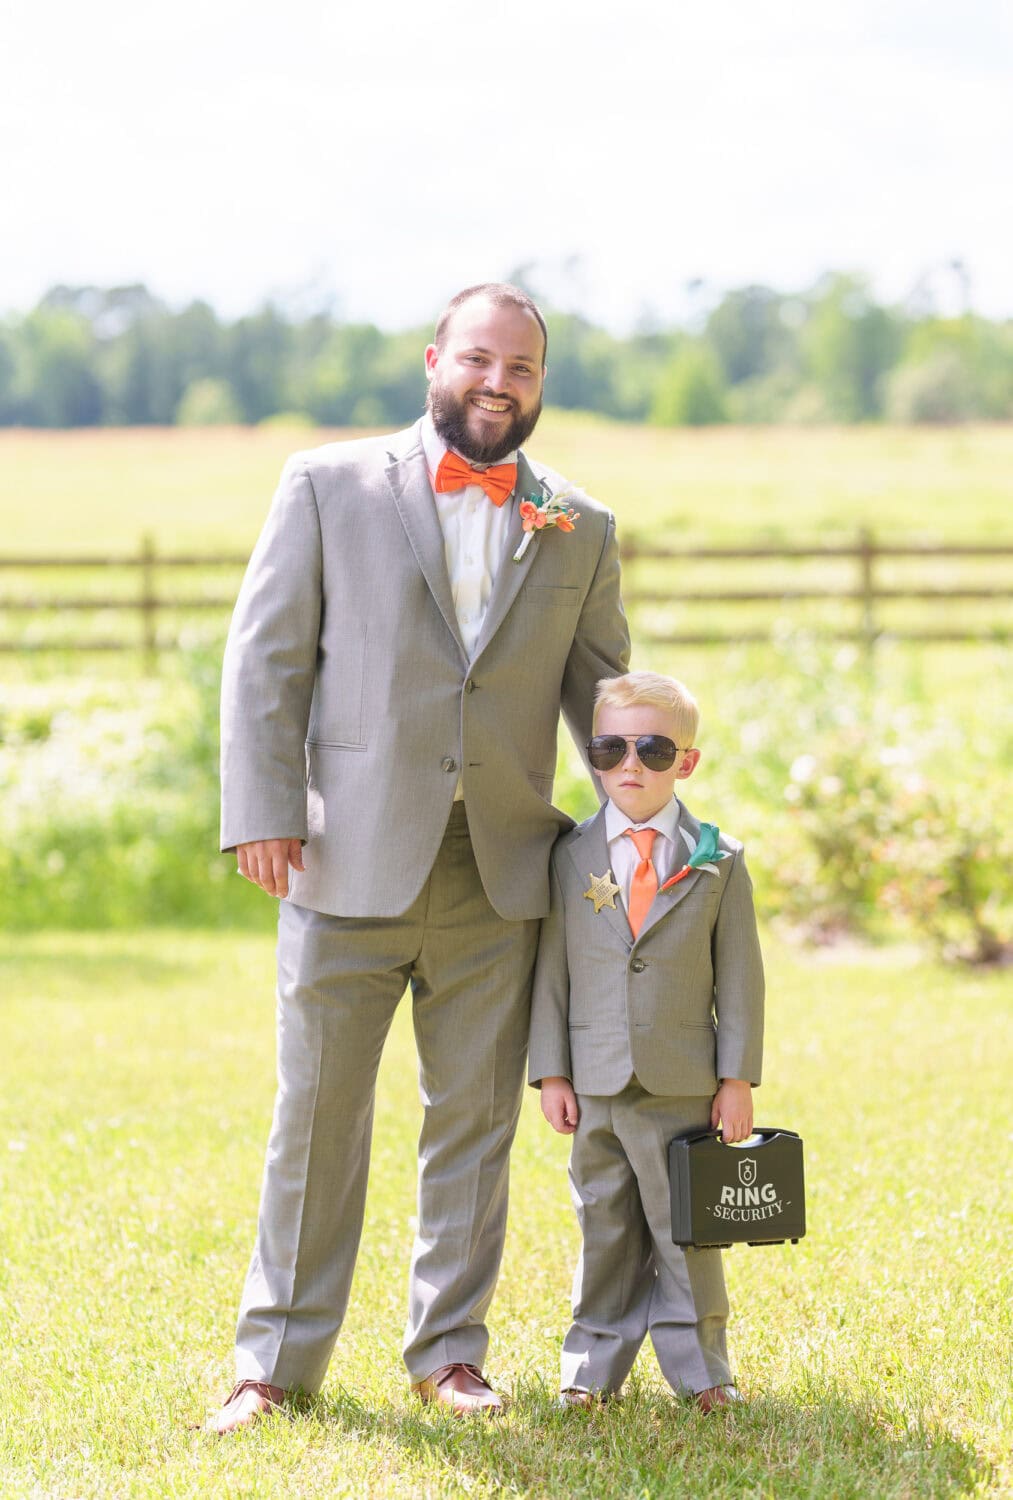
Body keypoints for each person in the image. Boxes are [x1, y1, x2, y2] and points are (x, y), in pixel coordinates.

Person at [208, 283, 630, 1431]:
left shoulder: (578, 526)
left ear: (542, 385)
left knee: (473, 1124)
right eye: (480, 361)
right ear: (434, 360)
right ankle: (274, 1367)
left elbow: (601, 705)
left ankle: (448, 1355)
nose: (498, 385)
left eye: (524, 370)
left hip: (500, 872)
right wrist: (262, 805)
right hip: (341, 852)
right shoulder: (325, 484)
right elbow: (267, 660)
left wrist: (645, 837)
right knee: (317, 1116)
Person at [528, 670, 764, 1412]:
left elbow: (742, 979)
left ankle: (702, 1372)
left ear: (685, 762)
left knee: (685, 1232)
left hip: (681, 1080)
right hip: (594, 1079)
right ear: (593, 756)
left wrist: (735, 1079)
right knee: (602, 1225)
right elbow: (550, 972)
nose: (630, 764)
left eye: (653, 749)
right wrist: (551, 1073)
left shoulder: (716, 857)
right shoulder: (570, 856)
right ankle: (590, 1369)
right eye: (610, 747)